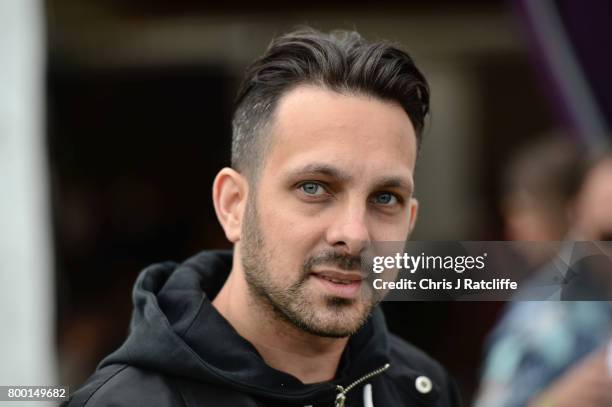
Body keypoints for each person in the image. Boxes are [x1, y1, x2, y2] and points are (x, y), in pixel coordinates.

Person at [63, 27, 461, 407]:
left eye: (385, 197)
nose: (354, 235)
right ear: (233, 205)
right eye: (314, 187)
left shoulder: (425, 391)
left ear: (409, 221)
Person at [475, 149, 612, 407]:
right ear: (574, 215)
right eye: (608, 235)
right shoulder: (540, 319)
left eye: (525, 210)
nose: (514, 227)